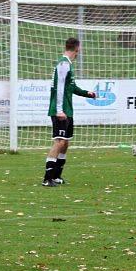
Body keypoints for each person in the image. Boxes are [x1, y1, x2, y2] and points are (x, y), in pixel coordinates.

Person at [42, 37, 96, 187]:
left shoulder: (68, 64)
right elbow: (59, 88)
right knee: (59, 141)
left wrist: (87, 93)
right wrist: (59, 110)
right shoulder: (63, 64)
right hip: (60, 110)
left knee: (65, 143)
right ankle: (47, 178)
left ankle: (56, 176)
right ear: (77, 48)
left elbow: (71, 87)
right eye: (80, 49)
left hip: (67, 110)